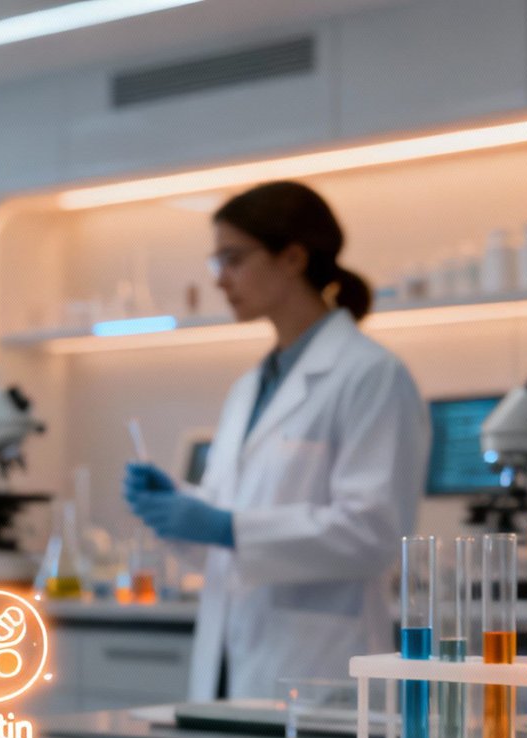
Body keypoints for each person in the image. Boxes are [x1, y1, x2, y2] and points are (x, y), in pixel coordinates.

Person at [123, 180, 428, 701]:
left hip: (317, 668)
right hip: (228, 658)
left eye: (233, 259)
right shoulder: (251, 386)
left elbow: (372, 533)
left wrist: (226, 526)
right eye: (216, 261)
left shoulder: (370, 374)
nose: (220, 279)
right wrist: (180, 508)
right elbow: (234, 535)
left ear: (292, 257)